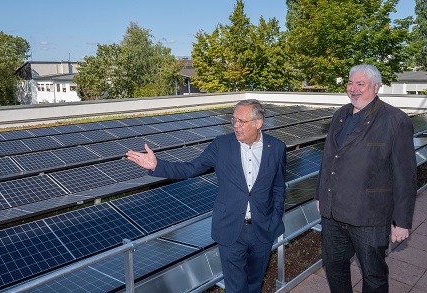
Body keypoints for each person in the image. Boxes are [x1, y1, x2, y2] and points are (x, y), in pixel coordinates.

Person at [126, 99, 286, 293]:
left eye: (241, 121)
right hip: (230, 230)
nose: (236, 125)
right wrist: (156, 165)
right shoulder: (222, 145)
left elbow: (278, 187)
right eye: (233, 120)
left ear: (258, 123)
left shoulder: (276, 148)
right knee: (236, 288)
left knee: (255, 283)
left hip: (263, 229)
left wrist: (275, 215)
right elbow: (191, 168)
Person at [315, 64, 417, 292]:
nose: (353, 89)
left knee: (373, 275)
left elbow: (405, 175)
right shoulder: (340, 114)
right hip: (333, 215)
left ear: (376, 87)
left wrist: (401, 221)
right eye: (350, 83)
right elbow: (329, 158)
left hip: (369, 217)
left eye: (360, 84)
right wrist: (320, 195)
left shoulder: (396, 121)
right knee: (334, 267)